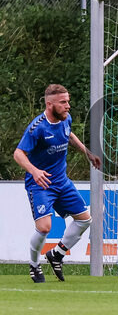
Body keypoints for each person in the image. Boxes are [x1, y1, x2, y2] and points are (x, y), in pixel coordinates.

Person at [13, 84, 102, 283]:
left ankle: (57, 254)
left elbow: (69, 134)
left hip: (62, 181)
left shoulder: (65, 119)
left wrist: (87, 153)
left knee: (85, 220)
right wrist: (34, 171)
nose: (67, 106)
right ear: (49, 104)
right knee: (44, 227)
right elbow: (18, 153)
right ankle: (34, 265)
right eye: (63, 102)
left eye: (67, 101)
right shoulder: (37, 127)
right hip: (41, 184)